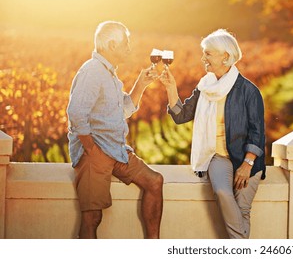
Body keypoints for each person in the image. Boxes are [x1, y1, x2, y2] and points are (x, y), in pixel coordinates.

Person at [160, 29, 266, 239]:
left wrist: (247, 164)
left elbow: (257, 132)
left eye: (208, 53)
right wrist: (171, 88)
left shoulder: (248, 90)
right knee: (222, 192)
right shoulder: (205, 86)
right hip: (217, 156)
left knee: (243, 209)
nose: (203, 58)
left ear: (225, 56)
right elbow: (182, 116)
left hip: (247, 159)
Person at [66, 21, 164, 239]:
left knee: (154, 182)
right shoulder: (92, 71)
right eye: (125, 43)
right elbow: (76, 113)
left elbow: (124, 110)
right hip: (95, 153)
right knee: (92, 218)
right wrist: (91, 149)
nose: (129, 47)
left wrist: (141, 84)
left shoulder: (109, 74)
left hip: (116, 150)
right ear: (111, 45)